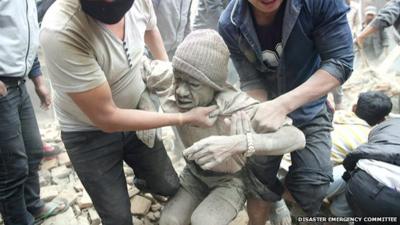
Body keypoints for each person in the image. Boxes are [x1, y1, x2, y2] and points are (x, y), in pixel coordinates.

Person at [40, 1, 217, 225]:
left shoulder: (140, 3)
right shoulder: (61, 30)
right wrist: (184, 118)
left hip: (137, 109)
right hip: (88, 133)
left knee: (169, 185)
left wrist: (166, 70)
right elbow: (107, 118)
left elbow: (151, 28)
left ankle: (144, 179)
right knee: (117, 218)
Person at [149, 29, 305, 225]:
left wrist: (241, 142)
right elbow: (141, 69)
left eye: (193, 84)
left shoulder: (236, 106)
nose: (180, 90)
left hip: (231, 180)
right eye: (178, 79)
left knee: (204, 221)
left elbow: (296, 137)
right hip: (194, 174)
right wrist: (145, 104)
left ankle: (275, 202)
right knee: (169, 221)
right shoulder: (171, 79)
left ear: (214, 86)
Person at [218, 0, 354, 224]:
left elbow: (340, 61)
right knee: (258, 183)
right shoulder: (230, 23)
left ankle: (286, 199)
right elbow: (251, 80)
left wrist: (282, 105)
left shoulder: (319, 4)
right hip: (266, 114)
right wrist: (253, 112)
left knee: (313, 188)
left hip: (311, 108)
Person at [0, 1, 68, 225]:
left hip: (18, 84)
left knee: (33, 151)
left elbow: (26, 38)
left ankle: (33, 205)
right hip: (2, 87)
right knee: (12, 167)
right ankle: (18, 220)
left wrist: (38, 80)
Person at [343, 91, 400, 219]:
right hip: (393, 198)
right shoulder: (370, 132)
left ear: (355, 108)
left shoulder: (342, 115)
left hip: (359, 182)